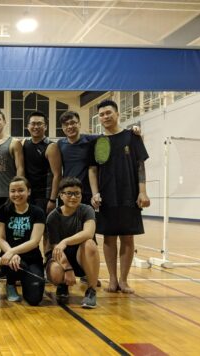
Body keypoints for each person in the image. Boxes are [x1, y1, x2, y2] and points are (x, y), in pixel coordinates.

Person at [88, 99, 150, 294]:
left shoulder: (132, 137)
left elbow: (140, 165)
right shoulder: (97, 142)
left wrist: (142, 191)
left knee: (128, 237)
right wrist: (95, 193)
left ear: (117, 114)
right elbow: (92, 170)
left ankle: (124, 280)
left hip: (129, 194)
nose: (105, 116)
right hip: (107, 196)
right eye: (102, 114)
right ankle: (112, 280)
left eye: (109, 113)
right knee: (108, 238)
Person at [45, 177, 100, 308]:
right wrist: (68, 268)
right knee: (57, 272)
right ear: (61, 195)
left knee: (90, 244)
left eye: (77, 193)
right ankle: (62, 285)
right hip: (60, 258)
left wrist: (65, 241)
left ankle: (91, 291)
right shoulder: (53, 217)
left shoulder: (87, 210)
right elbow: (56, 249)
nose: (73, 197)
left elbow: (89, 233)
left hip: (80, 257)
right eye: (69, 193)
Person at [0, 177, 45, 306]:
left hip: (31, 258)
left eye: (21, 190)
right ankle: (10, 284)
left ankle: (25, 281)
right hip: (8, 258)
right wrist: (10, 254)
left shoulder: (37, 212)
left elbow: (34, 241)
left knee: (35, 299)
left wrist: (13, 251)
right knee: (14, 263)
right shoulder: (3, 210)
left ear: (28, 191)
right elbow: (0, 238)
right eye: (13, 191)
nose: (16, 194)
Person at [22, 111, 61, 215]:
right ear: (28, 126)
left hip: (43, 197)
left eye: (39, 124)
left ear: (45, 127)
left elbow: (57, 175)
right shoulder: (24, 143)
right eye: (33, 124)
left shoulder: (51, 147)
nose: (36, 127)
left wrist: (52, 200)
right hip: (27, 195)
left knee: (42, 228)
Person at [0, 109, 24, 208]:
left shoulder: (14, 143)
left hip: (9, 195)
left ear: (4, 122)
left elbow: (20, 168)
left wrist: (18, 191)